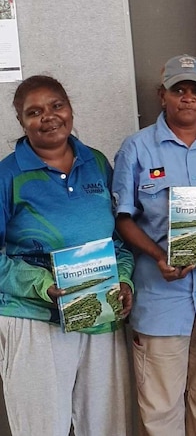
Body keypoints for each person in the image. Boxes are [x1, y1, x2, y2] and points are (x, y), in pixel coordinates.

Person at [112, 55, 196, 436]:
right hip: (161, 298)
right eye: (178, 90)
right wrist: (158, 255)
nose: (187, 98)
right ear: (163, 96)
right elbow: (123, 219)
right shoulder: (137, 148)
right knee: (159, 410)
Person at [0, 75, 133, 435]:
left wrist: (123, 279)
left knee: (107, 426)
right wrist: (44, 284)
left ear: (70, 108)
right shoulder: (7, 175)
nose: (49, 117)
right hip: (34, 319)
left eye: (57, 105)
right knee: (42, 428)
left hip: (99, 314)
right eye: (34, 112)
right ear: (21, 121)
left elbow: (118, 241)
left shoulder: (97, 163)